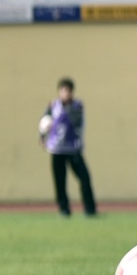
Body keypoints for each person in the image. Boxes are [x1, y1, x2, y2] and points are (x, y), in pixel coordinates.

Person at [41, 76, 97, 217]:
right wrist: (42, 135)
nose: (66, 93)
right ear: (59, 91)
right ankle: (64, 209)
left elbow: (76, 121)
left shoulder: (77, 106)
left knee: (85, 178)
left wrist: (64, 111)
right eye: (63, 90)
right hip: (57, 149)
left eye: (68, 91)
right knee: (60, 181)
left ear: (72, 92)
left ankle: (90, 209)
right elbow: (44, 121)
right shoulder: (52, 106)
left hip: (73, 149)